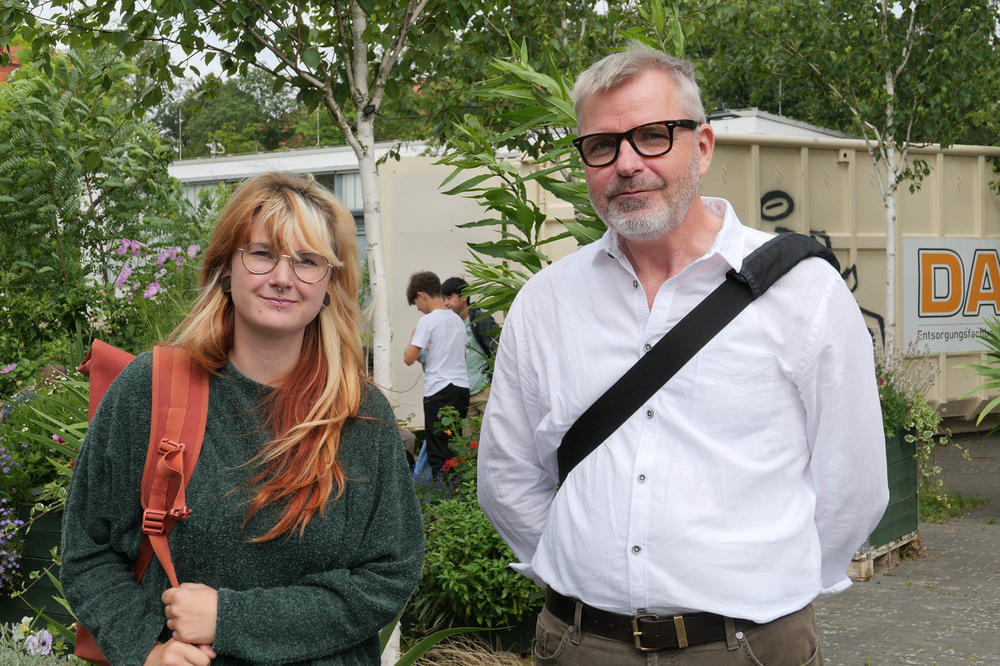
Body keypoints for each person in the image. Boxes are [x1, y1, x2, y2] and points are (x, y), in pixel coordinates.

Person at [477, 44, 889, 665]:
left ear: (701, 146)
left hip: (747, 648)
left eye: (651, 136)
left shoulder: (804, 293)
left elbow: (852, 486)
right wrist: (582, 570)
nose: (626, 163)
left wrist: (765, 590)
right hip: (583, 647)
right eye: (602, 145)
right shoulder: (546, 303)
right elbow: (507, 475)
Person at [61, 172, 424, 666]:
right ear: (226, 270)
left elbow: (388, 575)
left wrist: (230, 617)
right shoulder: (150, 390)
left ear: (329, 285)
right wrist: (147, 651)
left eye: (307, 261)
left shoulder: (359, 415)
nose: (282, 277)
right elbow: (89, 551)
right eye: (262, 253)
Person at [403, 271, 469, 475]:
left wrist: (413, 336)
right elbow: (463, 356)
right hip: (461, 389)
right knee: (454, 442)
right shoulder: (457, 320)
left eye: (417, 304)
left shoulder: (428, 321)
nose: (419, 309)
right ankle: (457, 491)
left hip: (438, 390)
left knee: (437, 448)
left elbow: (408, 358)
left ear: (421, 295)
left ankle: (442, 496)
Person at [440, 276, 499, 418]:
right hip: (464, 393)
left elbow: (497, 350)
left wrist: (493, 382)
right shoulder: (449, 325)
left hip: (485, 390)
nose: (446, 303)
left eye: (449, 297)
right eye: (443, 299)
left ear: (464, 296)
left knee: (490, 437)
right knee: (468, 439)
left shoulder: (481, 319)